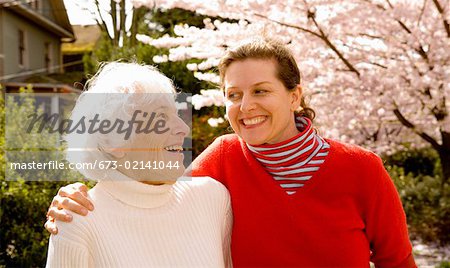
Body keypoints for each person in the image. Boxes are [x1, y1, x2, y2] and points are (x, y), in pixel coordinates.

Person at [45, 38, 416, 267]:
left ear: (294, 95)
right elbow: (150, 187)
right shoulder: (222, 160)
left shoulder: (361, 169)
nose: (245, 106)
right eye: (233, 95)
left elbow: (397, 262)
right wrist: (79, 193)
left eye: (260, 91)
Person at [45, 62, 232, 267]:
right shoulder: (78, 222)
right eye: (161, 117)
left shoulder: (213, 198)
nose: (183, 128)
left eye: (176, 114)